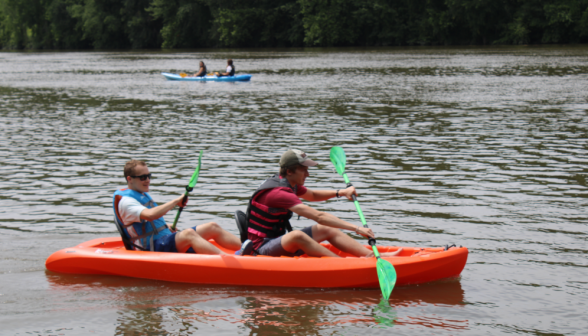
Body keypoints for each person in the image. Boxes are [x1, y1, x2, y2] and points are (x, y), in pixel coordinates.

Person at [242, 149, 403, 258]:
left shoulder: (286, 182)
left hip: (275, 241)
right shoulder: (279, 193)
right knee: (297, 235)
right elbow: (319, 216)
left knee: (326, 229)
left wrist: (340, 192)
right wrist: (357, 228)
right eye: (304, 169)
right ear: (289, 171)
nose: (308, 174)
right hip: (261, 249)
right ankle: (343, 266)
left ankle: (371, 256)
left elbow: (312, 195)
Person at [113, 159, 247, 255]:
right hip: (152, 249)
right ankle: (230, 261)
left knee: (212, 226)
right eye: (142, 177)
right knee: (189, 234)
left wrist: (167, 227)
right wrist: (176, 201)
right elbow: (150, 215)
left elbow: (148, 223)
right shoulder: (126, 202)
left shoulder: (140, 194)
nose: (147, 180)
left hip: (162, 240)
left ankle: (252, 250)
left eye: (148, 176)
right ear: (129, 179)